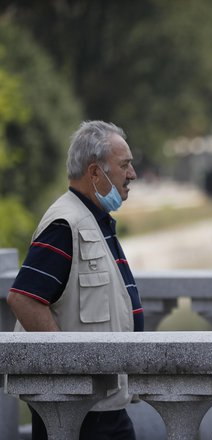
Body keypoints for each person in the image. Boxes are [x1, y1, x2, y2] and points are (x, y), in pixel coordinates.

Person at [6, 120, 142, 440]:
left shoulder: (93, 220)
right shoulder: (66, 223)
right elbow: (23, 298)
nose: (132, 174)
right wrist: (69, 370)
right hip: (79, 410)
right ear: (95, 173)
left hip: (102, 404)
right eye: (124, 165)